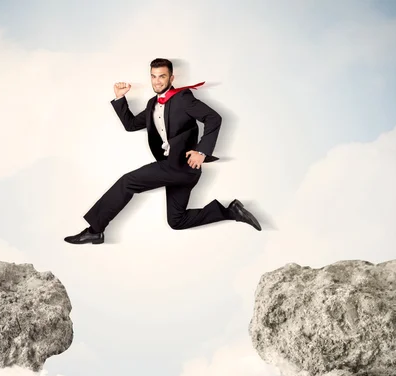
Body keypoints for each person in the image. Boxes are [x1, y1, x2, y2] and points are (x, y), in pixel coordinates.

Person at [64, 58, 261, 244]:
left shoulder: (183, 98)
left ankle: (95, 230)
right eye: (153, 76)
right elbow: (131, 125)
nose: (157, 81)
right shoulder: (152, 104)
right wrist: (119, 98)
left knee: (128, 182)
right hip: (180, 172)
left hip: (180, 166)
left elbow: (213, 118)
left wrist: (201, 152)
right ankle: (231, 211)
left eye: (162, 76)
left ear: (171, 78)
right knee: (176, 221)